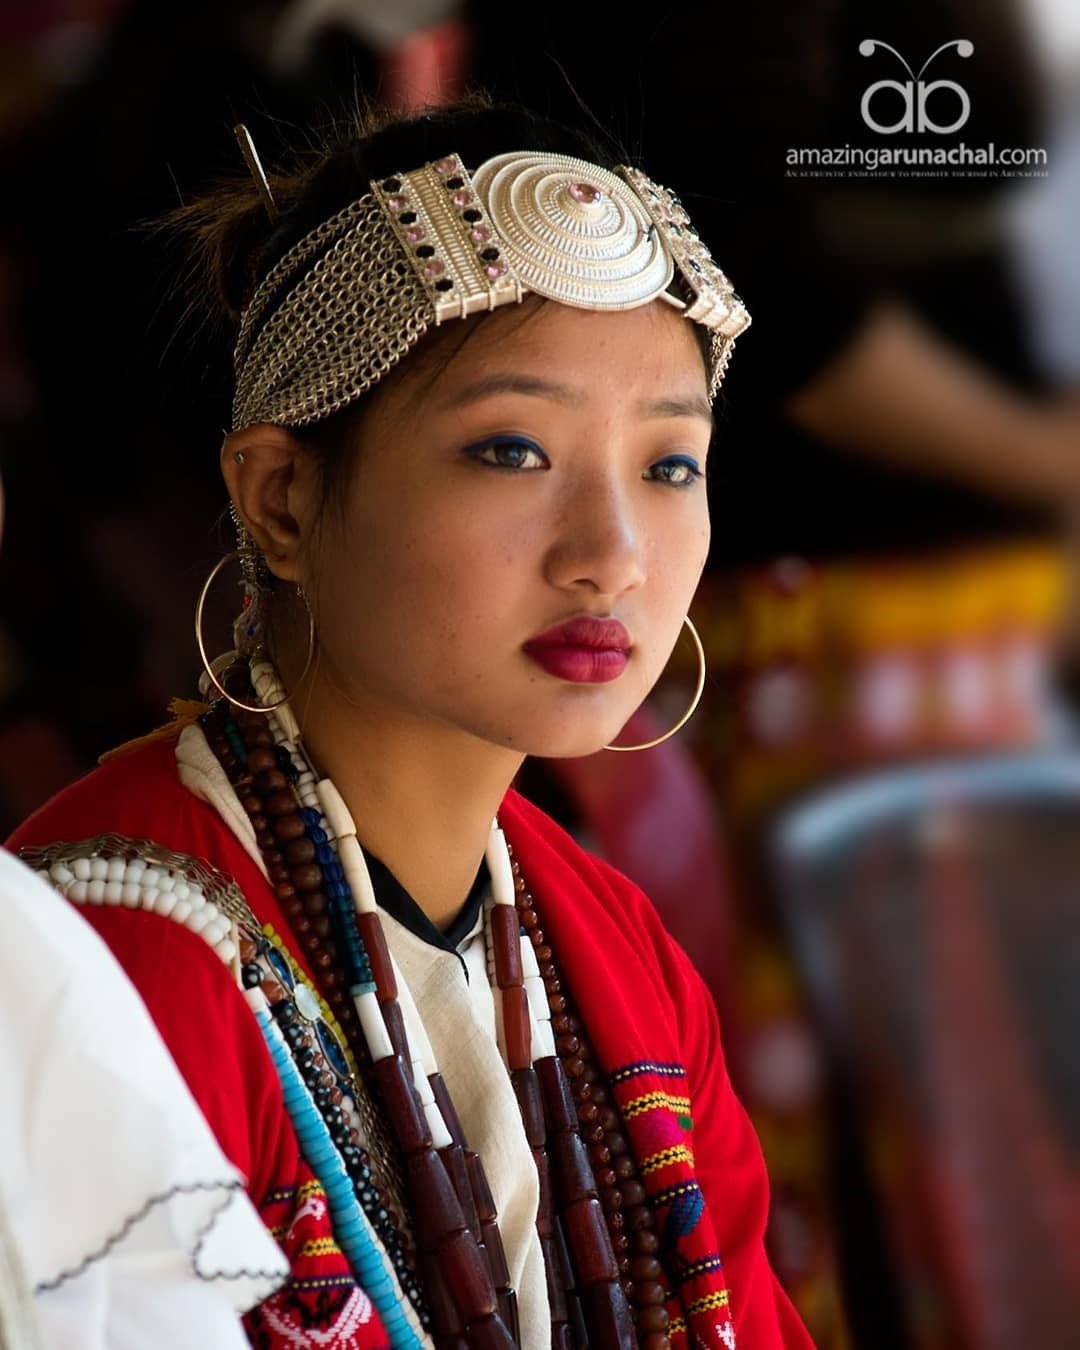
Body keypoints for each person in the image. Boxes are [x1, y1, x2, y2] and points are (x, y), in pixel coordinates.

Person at [9, 100, 813, 1349]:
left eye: (668, 466)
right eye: (510, 449)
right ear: (280, 498)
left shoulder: (615, 949)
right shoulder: (107, 958)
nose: (611, 558)